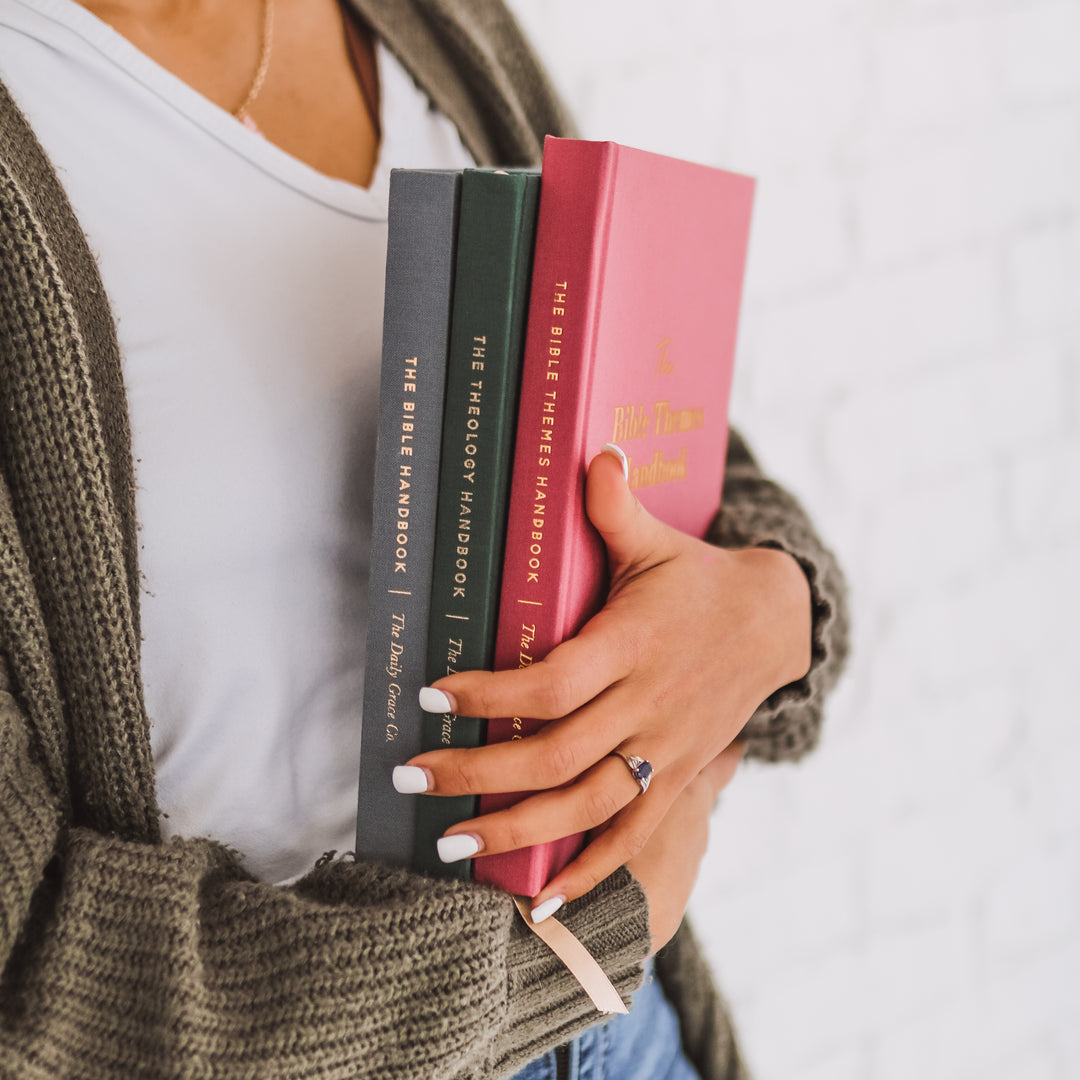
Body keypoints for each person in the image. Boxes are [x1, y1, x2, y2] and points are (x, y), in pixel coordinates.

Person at [0, 0, 849, 1076]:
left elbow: (665, 450)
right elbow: (26, 968)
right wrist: (554, 960)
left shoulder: (436, 25)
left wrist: (773, 609)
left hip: (621, 1038)